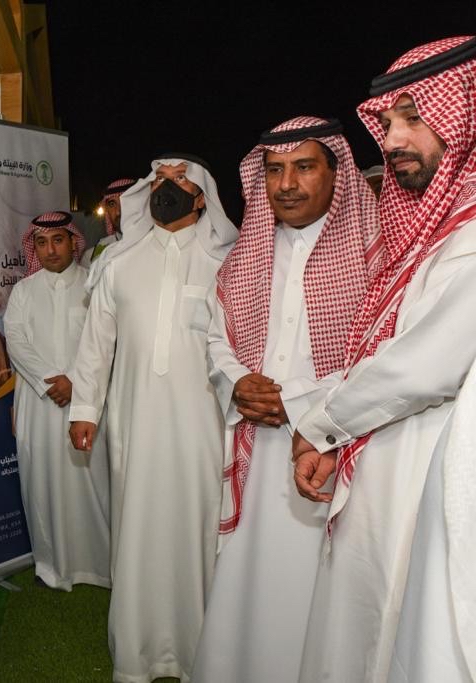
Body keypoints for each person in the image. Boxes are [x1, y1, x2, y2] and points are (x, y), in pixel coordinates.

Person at [291, 35, 476, 682]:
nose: (392, 139)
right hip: (389, 452)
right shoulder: (439, 225)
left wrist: (322, 423)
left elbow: (425, 366)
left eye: (413, 118)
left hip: (434, 469)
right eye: (387, 122)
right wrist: (335, 427)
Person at [193, 117, 381, 682]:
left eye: (304, 167)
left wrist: (298, 406)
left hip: (335, 449)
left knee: (322, 589)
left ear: (336, 174)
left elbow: (379, 353)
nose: (287, 184)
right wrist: (236, 383)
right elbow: (217, 337)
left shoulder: (373, 254)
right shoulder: (246, 255)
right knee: (252, 581)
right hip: (258, 446)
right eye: (274, 170)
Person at [69, 154, 238, 683]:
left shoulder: (228, 263)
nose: (168, 187)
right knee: (136, 526)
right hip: (133, 421)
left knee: (197, 529)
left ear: (202, 197)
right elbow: (96, 345)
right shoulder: (119, 263)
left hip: (202, 428)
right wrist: (84, 409)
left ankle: (196, 652)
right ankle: (137, 654)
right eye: (161, 179)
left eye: (181, 180)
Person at [3, 211, 110, 591]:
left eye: (58, 240)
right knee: (42, 483)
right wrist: (52, 380)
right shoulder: (23, 291)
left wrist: (75, 381)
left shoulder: (94, 285)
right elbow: (16, 341)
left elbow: (103, 341)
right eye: (42, 243)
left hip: (86, 402)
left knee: (91, 483)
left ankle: (98, 566)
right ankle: (50, 566)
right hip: (39, 403)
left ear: (73, 242)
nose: (50, 250)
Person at [81, 177, 136, 266]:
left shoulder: (156, 243)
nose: (118, 212)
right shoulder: (92, 255)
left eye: (125, 201)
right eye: (112, 204)